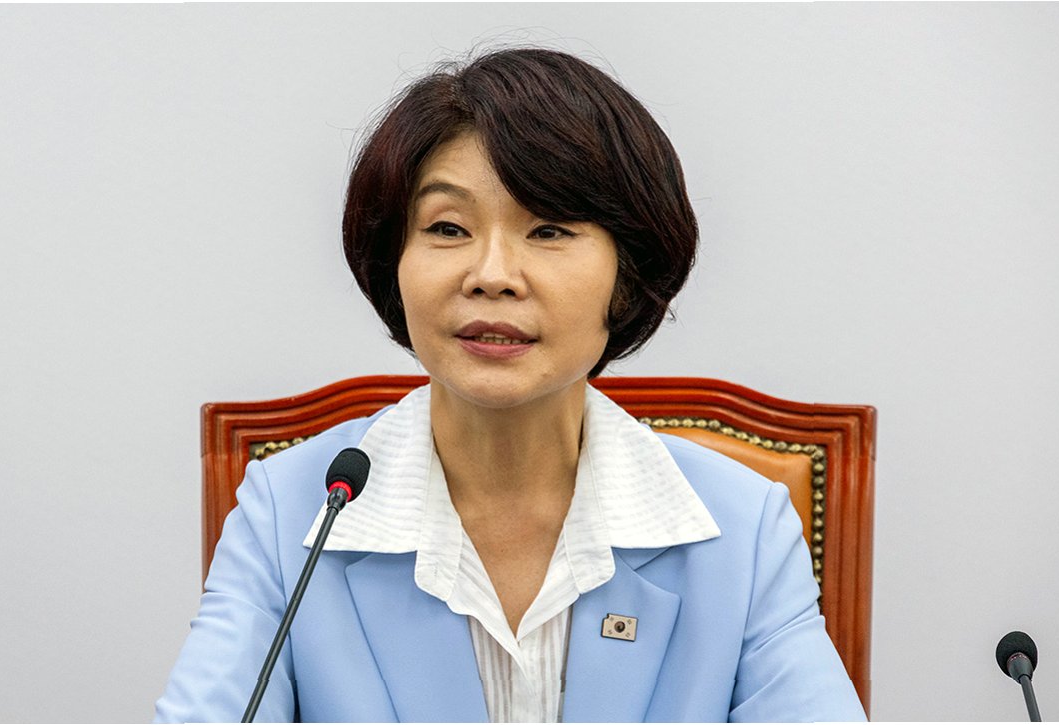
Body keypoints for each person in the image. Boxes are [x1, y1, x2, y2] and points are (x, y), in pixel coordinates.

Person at [155, 47, 866, 723]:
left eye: (548, 230)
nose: (491, 275)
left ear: (627, 274)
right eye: (447, 227)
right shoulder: (294, 513)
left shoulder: (740, 530)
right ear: (393, 262)